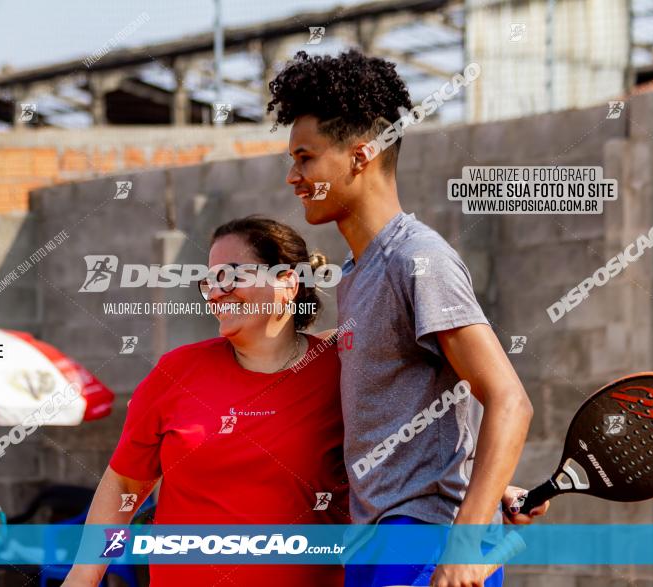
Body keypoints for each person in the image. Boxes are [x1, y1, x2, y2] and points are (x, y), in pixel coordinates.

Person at [268, 49, 549, 587]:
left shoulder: (418, 259)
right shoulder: (357, 272)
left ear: (360, 156)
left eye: (305, 158)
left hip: (421, 541)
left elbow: (510, 400)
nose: (292, 176)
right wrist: (483, 488)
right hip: (379, 541)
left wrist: (465, 541)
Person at [64, 217, 351, 587]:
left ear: (287, 282)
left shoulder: (340, 371)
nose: (215, 294)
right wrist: (84, 576)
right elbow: (124, 487)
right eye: (210, 282)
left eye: (230, 276)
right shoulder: (177, 372)